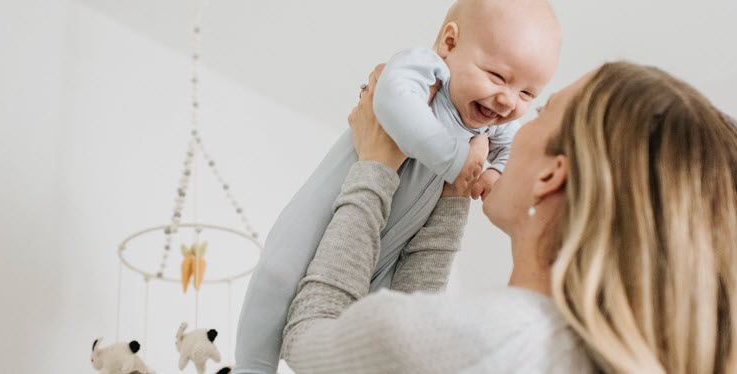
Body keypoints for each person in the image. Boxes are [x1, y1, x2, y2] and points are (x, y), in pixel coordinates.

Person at [280, 61, 737, 373]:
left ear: (552, 175)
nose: (513, 117)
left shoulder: (489, 339)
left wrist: (374, 167)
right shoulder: (589, 354)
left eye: (541, 108)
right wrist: (451, 194)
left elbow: (309, 337)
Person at [234, 1, 561, 372]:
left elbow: (509, 146)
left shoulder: (491, 124)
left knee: (374, 318)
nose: (507, 100)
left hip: (389, 248)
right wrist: (457, 160)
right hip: (329, 214)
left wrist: (494, 173)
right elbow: (390, 101)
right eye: (498, 76)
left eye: (527, 95)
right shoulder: (424, 71)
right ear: (450, 45)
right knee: (278, 274)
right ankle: (252, 366)